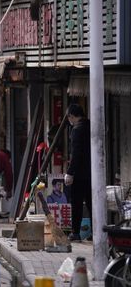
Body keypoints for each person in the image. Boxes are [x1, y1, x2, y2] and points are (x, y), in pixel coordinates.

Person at [65, 103, 90, 241]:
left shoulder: (77, 130)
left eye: (69, 117)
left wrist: (70, 172)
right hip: (93, 173)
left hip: (79, 174)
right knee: (92, 204)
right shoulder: (91, 125)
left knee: (77, 204)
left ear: (72, 116)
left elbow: (76, 153)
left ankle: (75, 233)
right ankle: (96, 232)